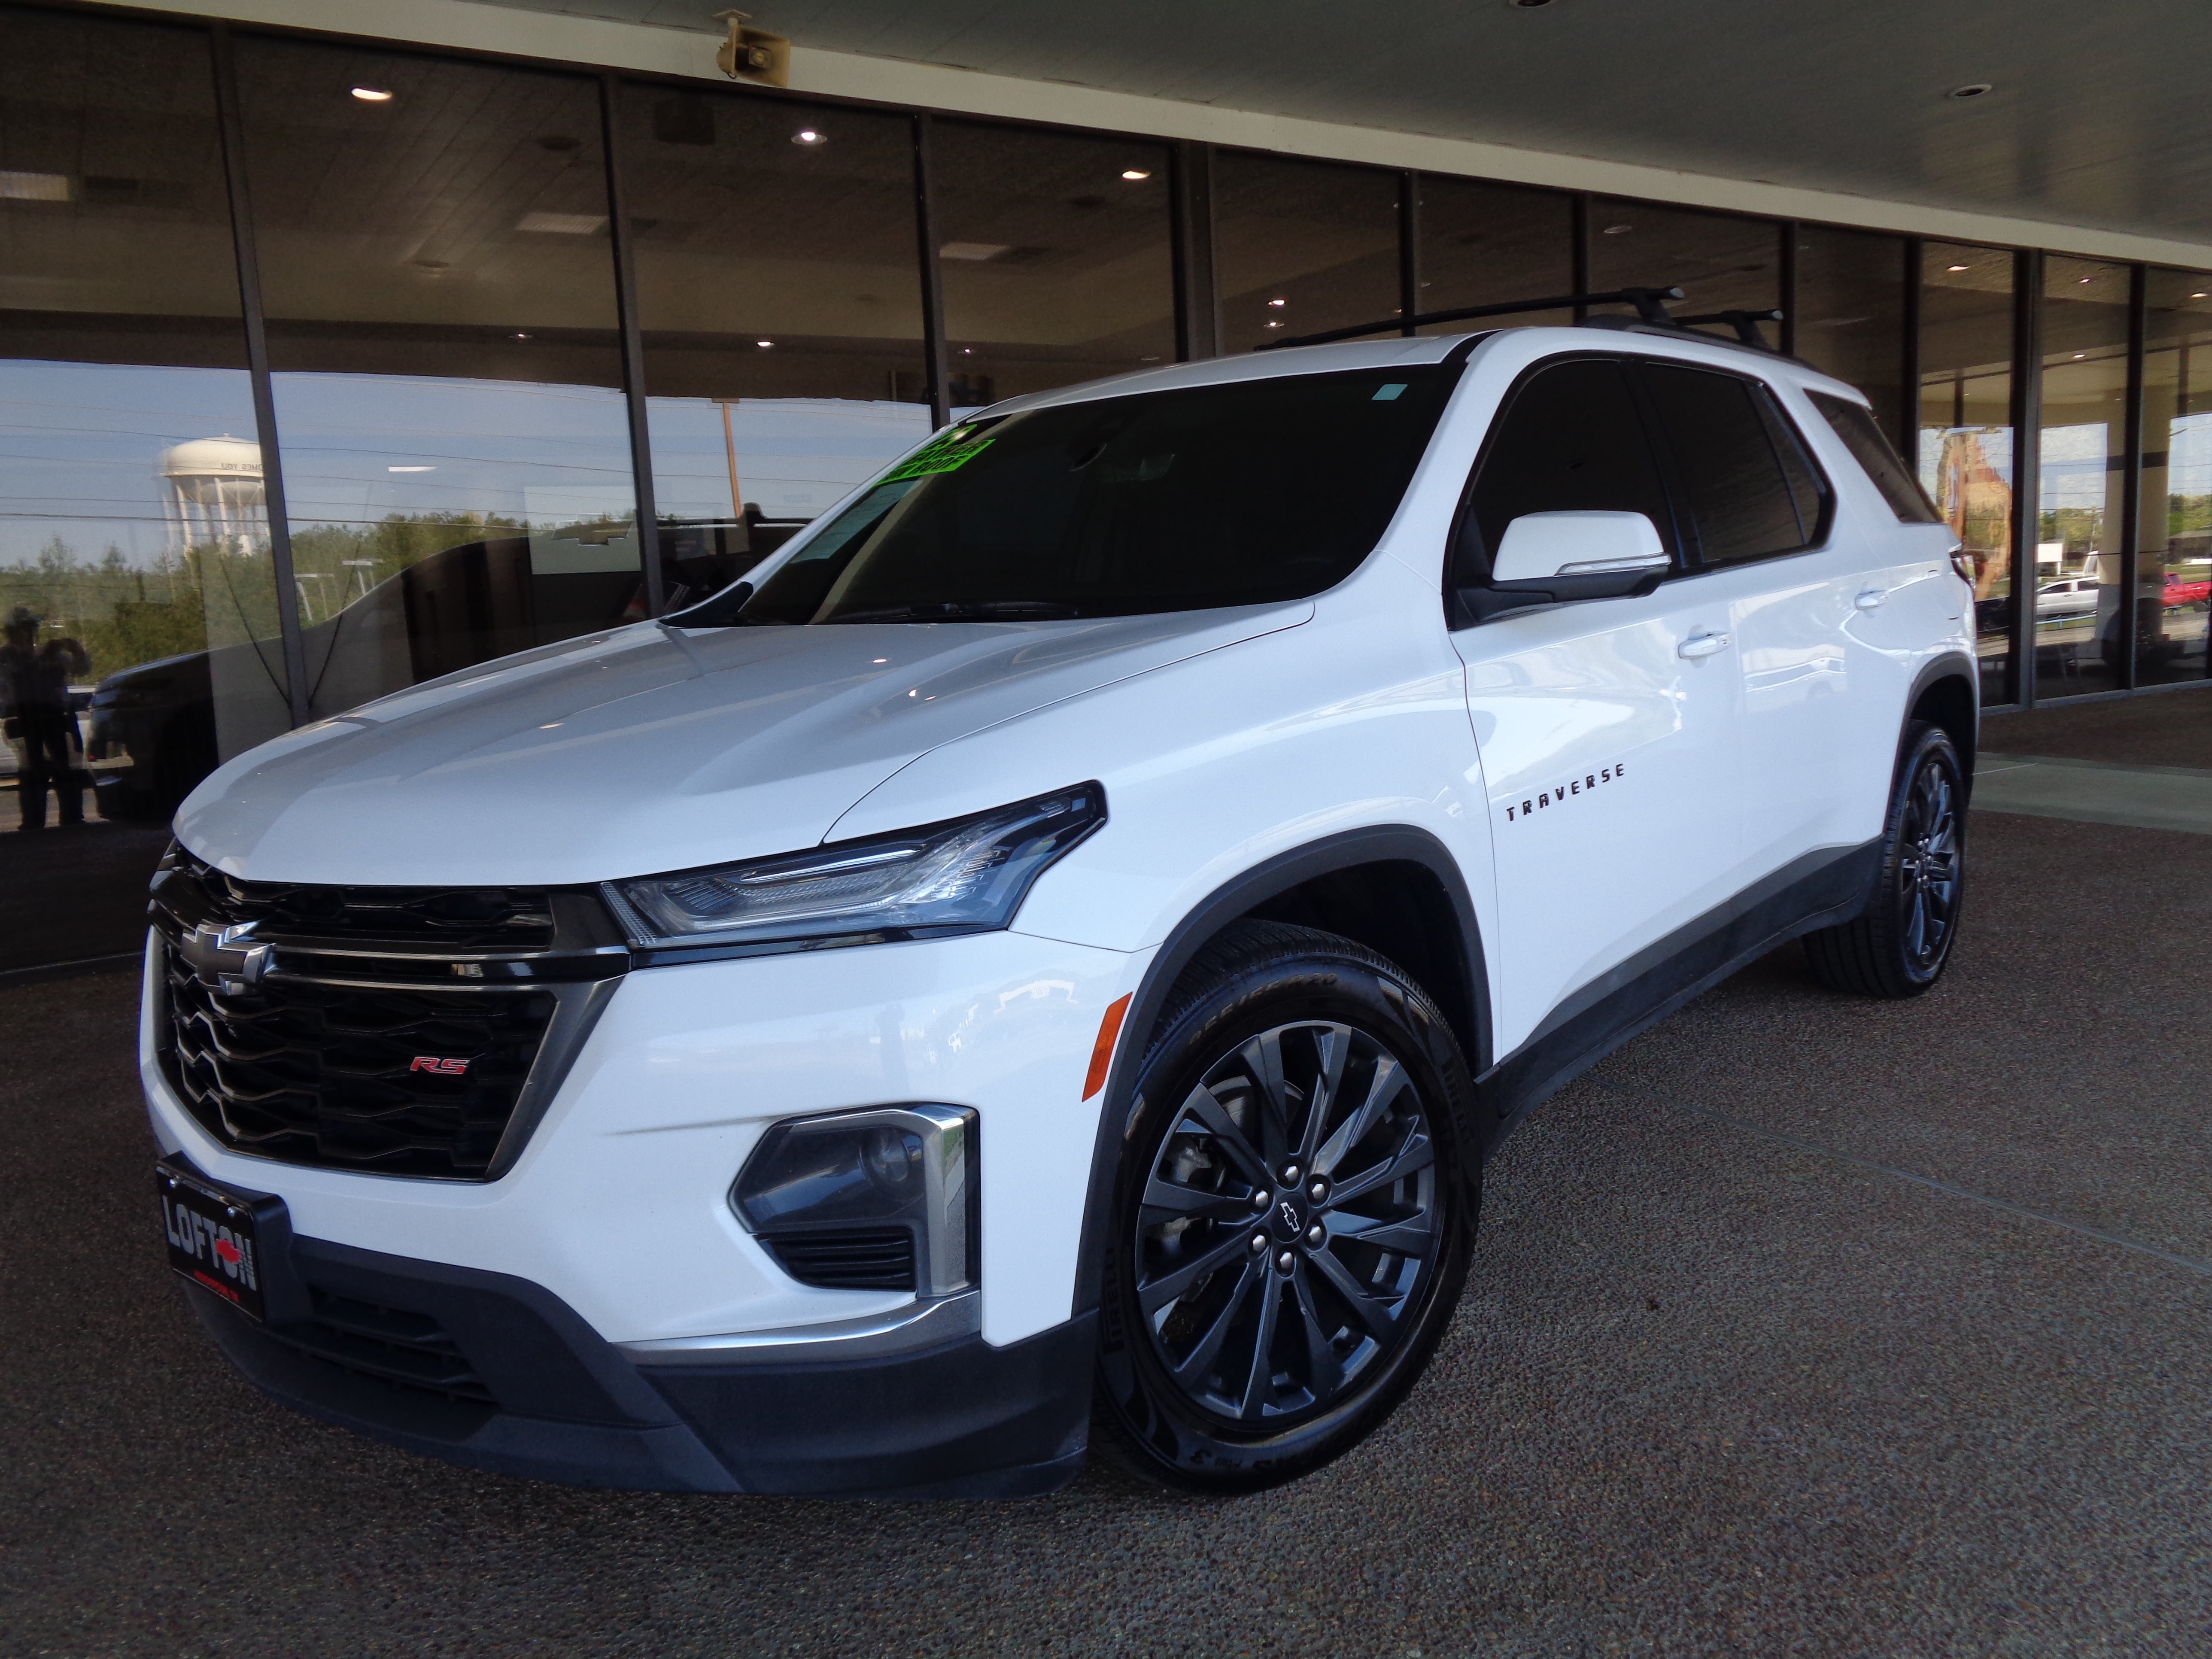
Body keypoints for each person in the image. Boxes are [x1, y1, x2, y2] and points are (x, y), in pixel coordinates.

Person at [1, 608, 90, 830]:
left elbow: (81, 670)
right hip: (22, 718)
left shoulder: (49, 655)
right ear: (12, 631)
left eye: (33, 627)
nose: (31, 633)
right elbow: (13, 680)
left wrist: (76, 650)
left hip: (57, 717)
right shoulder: (5, 657)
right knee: (31, 769)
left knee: (67, 768)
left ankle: (72, 818)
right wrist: (42, 659)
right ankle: (33, 822)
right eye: (25, 628)